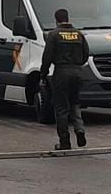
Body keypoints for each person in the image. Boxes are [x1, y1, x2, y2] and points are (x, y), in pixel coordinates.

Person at [40, 9, 90, 150]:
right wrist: (77, 65)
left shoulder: (54, 35)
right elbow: (86, 53)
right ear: (68, 18)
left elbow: (47, 58)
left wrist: (43, 76)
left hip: (61, 73)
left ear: (56, 20)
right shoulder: (79, 34)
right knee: (75, 103)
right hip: (77, 72)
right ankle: (80, 129)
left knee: (61, 108)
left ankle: (65, 142)